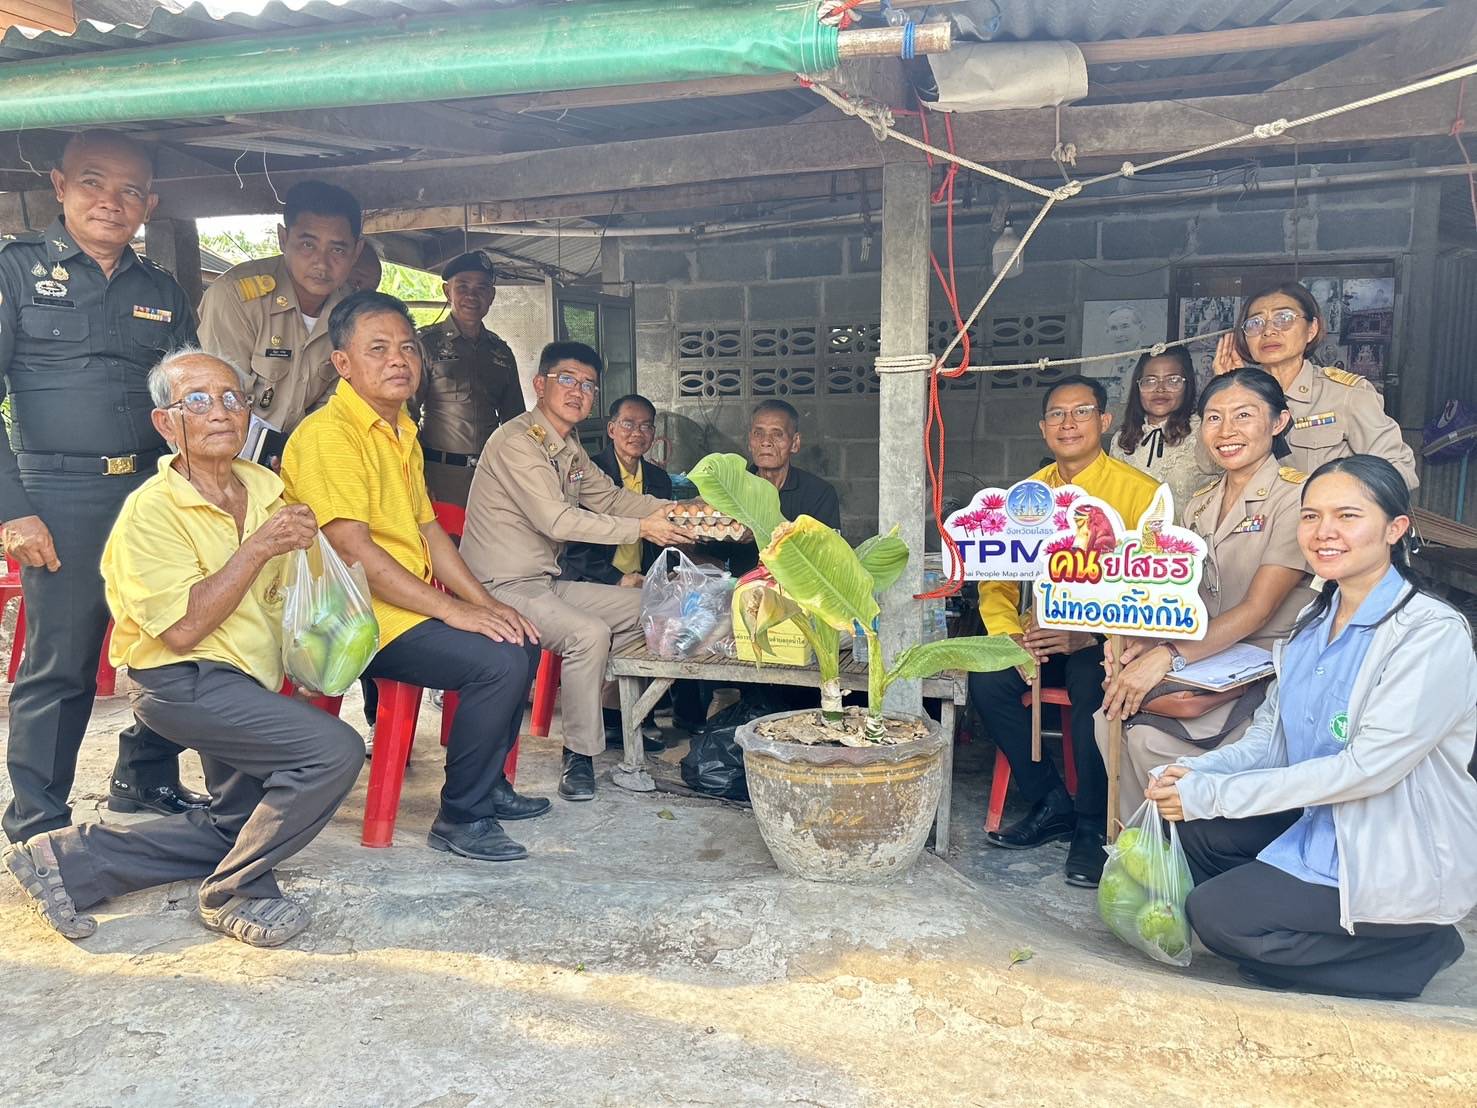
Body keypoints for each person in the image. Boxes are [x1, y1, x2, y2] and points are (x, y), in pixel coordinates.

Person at [1, 350, 363, 948]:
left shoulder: (264, 487)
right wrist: (258, 550)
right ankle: (233, 892)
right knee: (331, 753)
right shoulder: (151, 511)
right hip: (181, 680)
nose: (220, 412)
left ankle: (68, 861)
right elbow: (182, 631)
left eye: (232, 398)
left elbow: (284, 593)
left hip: (248, 679)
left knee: (241, 827)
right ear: (167, 424)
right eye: (197, 401)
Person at [1146, 455, 1477, 1000]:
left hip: (1387, 844)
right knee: (1192, 832)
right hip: (1319, 820)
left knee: (1217, 919)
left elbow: (1367, 770)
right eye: (1310, 517)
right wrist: (1194, 773)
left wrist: (1218, 793)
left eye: (1348, 516)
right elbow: (1270, 741)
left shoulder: (1429, 634)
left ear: (1395, 529)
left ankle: (1414, 949)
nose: (1324, 533)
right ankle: (1314, 942)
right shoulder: (1311, 625)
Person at [282, 291, 542, 862]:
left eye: (407, 348)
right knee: (494, 662)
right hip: (353, 619)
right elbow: (353, 551)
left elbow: (430, 534)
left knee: (520, 635)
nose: (399, 360)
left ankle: (487, 784)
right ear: (342, 364)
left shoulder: (401, 431)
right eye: (378, 349)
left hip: (400, 607)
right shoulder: (331, 435)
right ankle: (461, 817)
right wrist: (453, 611)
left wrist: (485, 603)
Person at [0, 130, 207, 843]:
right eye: (93, 182)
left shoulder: (161, 290)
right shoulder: (16, 272)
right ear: (59, 185)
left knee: (173, 643)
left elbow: (190, 398)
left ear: (149, 204)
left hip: (150, 494)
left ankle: (144, 778)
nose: (110, 203)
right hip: (58, 494)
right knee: (61, 662)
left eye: (129, 191)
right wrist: (13, 511)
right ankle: (37, 822)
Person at [460, 342, 693, 801]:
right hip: (496, 590)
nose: (578, 391)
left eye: (588, 385)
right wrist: (642, 528)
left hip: (542, 586)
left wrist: (682, 512)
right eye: (567, 379)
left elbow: (609, 498)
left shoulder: (565, 446)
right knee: (588, 633)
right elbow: (558, 520)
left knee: (657, 604)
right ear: (540, 385)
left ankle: (625, 716)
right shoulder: (516, 443)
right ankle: (580, 757)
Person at [1097, 369, 1314, 824]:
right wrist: (1145, 643)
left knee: (1146, 739)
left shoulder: (1295, 497)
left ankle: (1180, 856)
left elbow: (1256, 611)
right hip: (1204, 653)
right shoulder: (1200, 502)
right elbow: (1184, 598)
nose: (1227, 431)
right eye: (1214, 418)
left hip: (1264, 660)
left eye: (1244, 415)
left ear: (1278, 422)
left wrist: (1168, 656)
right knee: (1108, 715)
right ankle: (1139, 854)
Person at [971, 375, 1161, 887]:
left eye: (1081, 412)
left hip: (1105, 639)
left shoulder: (1139, 494)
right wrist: (1008, 635)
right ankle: (1050, 799)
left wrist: (1091, 636)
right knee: (986, 683)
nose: (1068, 423)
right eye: (1056, 414)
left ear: (1103, 421)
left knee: (1093, 693)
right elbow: (997, 578)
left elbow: (1155, 588)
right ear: (1042, 428)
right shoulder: (1024, 499)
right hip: (1040, 632)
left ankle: (1090, 824)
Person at [198, 180, 363, 442]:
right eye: (308, 245)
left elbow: (336, 404)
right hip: (230, 456)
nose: (321, 263)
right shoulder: (236, 297)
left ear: (356, 252)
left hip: (305, 456)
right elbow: (220, 401)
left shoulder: (354, 313)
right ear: (283, 239)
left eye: (337, 249)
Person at [1210, 282, 1417, 489]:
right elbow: (1209, 468)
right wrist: (1230, 391)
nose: (1268, 331)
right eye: (1255, 323)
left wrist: (1336, 502)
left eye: (1284, 319)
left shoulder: (1346, 395)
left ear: (1311, 329)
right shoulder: (1241, 396)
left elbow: (1398, 470)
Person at [411, 252, 526, 506]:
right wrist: (417, 478)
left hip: (490, 476)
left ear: (492, 296)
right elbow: (405, 416)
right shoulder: (425, 345)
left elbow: (514, 422)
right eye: (462, 286)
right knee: (443, 544)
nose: (472, 296)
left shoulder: (501, 352)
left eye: (481, 288)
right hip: (438, 476)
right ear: (446, 291)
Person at [710, 400, 841, 577]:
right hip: (742, 595)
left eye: (777, 434)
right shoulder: (731, 492)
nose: (766, 442)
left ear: (795, 443)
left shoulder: (819, 494)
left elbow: (828, 559)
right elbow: (711, 556)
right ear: (750, 441)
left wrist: (760, 531)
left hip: (798, 597)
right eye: (758, 433)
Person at [561, 394, 674, 587]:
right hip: (591, 581)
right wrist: (617, 578)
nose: (638, 433)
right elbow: (572, 545)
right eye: (628, 424)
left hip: (642, 581)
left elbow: (660, 542)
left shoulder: (660, 479)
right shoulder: (589, 474)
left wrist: (668, 572)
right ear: (611, 429)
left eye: (646, 426)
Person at [1112, 347, 1211, 511]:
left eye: (1173, 380)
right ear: (1138, 386)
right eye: (1150, 381)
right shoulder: (1121, 439)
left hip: (1192, 535)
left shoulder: (1205, 431)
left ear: (1188, 384)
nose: (1160, 389)